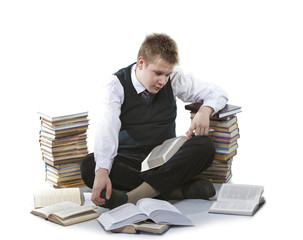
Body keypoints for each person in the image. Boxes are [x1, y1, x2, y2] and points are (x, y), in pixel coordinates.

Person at [81, 33, 228, 209]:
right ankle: (174, 190)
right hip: (130, 159)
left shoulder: (173, 78)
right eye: (158, 73)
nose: (162, 81)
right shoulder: (116, 84)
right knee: (90, 165)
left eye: (167, 74)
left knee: (205, 146)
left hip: (165, 159)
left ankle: (133, 196)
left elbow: (217, 92)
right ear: (141, 63)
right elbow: (107, 127)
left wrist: (205, 110)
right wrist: (102, 172)